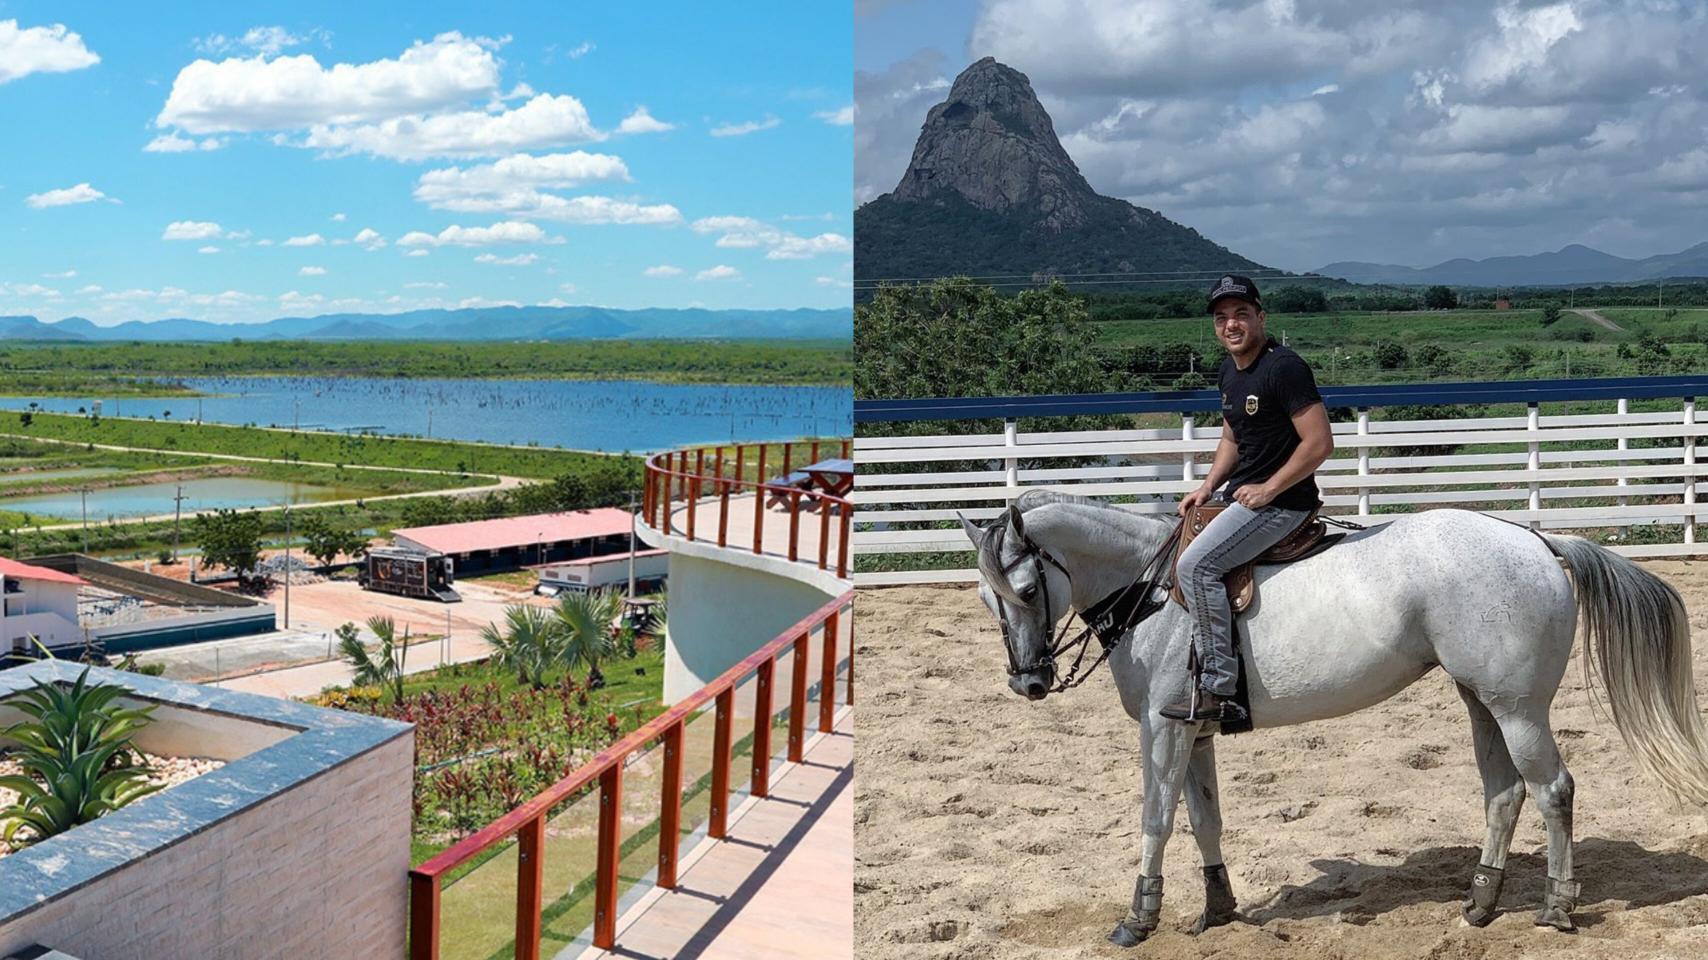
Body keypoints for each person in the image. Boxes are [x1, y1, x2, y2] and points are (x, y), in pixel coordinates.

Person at [1158, 275, 1334, 724]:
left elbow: (1318, 443)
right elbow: (1233, 436)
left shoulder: (1284, 367)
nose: (1231, 324)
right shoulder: (1228, 372)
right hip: (1245, 497)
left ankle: (1220, 688)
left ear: (1260, 316)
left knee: (1196, 566)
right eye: (1221, 317)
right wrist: (1206, 484)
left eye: (1240, 314)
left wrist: (1269, 489)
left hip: (1282, 503)